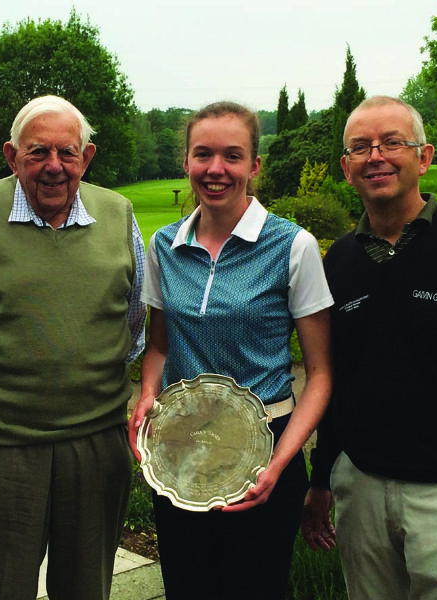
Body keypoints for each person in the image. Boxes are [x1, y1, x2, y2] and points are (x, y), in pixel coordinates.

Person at [0, 94, 146, 600]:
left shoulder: (118, 213)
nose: (54, 167)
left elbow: (134, 320)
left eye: (67, 153)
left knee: (86, 589)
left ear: (86, 157)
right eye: (37, 153)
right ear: (11, 156)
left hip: (96, 445)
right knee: (0, 589)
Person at [128, 101, 333, 599]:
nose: (215, 169)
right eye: (203, 154)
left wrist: (280, 465)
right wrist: (148, 394)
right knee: (187, 584)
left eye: (232, 156)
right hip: (181, 449)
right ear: (186, 162)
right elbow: (158, 345)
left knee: (256, 588)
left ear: (254, 166)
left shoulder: (292, 246)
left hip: (267, 446)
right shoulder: (164, 246)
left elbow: (322, 375)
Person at [302, 96, 437, 600]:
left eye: (392, 143)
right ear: (346, 169)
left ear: (424, 157)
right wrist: (321, 478)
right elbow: (335, 378)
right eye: (360, 147)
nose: (376, 156)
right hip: (362, 489)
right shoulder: (339, 262)